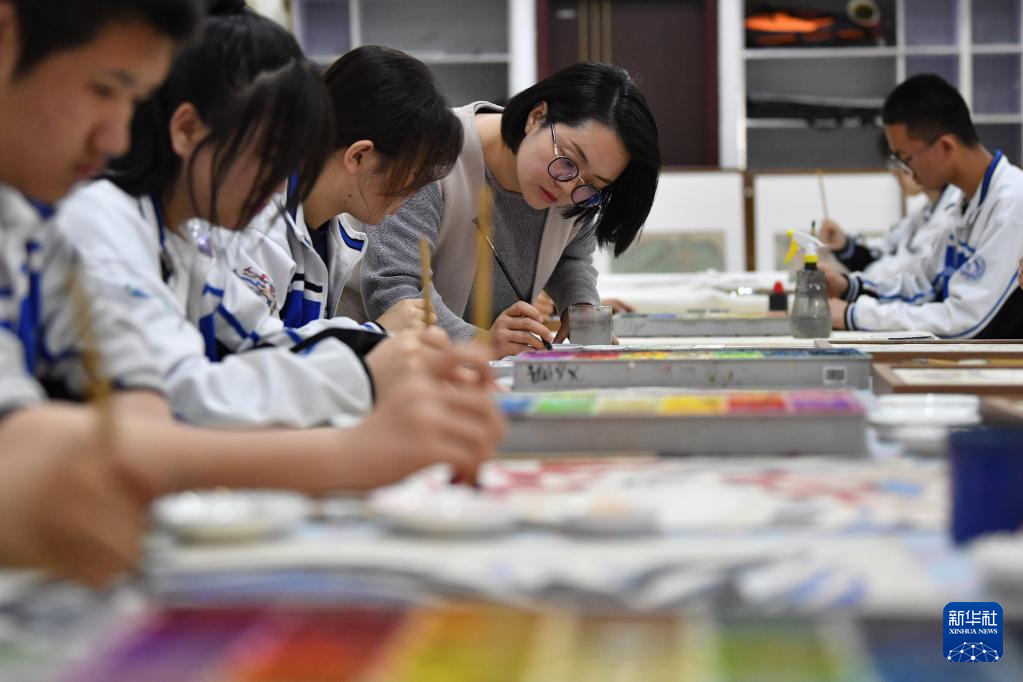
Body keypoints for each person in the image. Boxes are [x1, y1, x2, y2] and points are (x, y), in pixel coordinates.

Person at [1, 0, 500, 587]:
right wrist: (354, 423)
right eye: (105, 89)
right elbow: (163, 409)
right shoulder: (96, 217)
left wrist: (379, 356)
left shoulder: (166, 236)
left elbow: (241, 351)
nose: (113, 136)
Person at [59, 7, 482, 429]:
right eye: (267, 155)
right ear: (186, 130)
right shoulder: (103, 221)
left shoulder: (189, 239)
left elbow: (259, 338)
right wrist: (365, 373)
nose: (279, 184)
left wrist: (376, 349)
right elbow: (182, 397)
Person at [356, 62, 661, 358]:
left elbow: (570, 256)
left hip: (478, 372)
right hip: (375, 364)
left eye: (593, 184)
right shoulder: (430, 155)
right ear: (537, 117)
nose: (567, 188)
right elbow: (394, 289)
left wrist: (580, 305)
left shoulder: (579, 194)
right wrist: (478, 342)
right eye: (568, 160)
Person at [209, 45, 463, 356]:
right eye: (411, 176)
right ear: (358, 156)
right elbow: (257, 355)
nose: (412, 193)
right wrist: (376, 333)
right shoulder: (260, 221)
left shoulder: (330, 231)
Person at [827, 74, 1023, 338]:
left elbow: (966, 321)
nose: (906, 171)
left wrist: (855, 315)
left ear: (945, 146)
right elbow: (923, 284)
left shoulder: (1012, 205)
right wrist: (849, 287)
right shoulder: (965, 201)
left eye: (906, 159)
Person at [819, 135, 960, 281]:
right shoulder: (923, 214)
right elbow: (882, 249)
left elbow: (909, 276)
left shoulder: (951, 213)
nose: (895, 172)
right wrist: (843, 245)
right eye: (894, 162)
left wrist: (852, 285)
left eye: (903, 161)